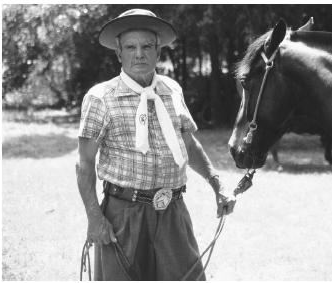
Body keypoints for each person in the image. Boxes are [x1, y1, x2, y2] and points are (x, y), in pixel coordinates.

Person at [75, 8, 236, 281]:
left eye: (147, 46)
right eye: (131, 47)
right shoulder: (100, 97)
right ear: (119, 53)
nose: (139, 53)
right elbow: (85, 164)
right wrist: (94, 218)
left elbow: (187, 141)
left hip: (172, 211)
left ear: (158, 51)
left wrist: (216, 183)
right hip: (123, 215)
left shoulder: (172, 90)